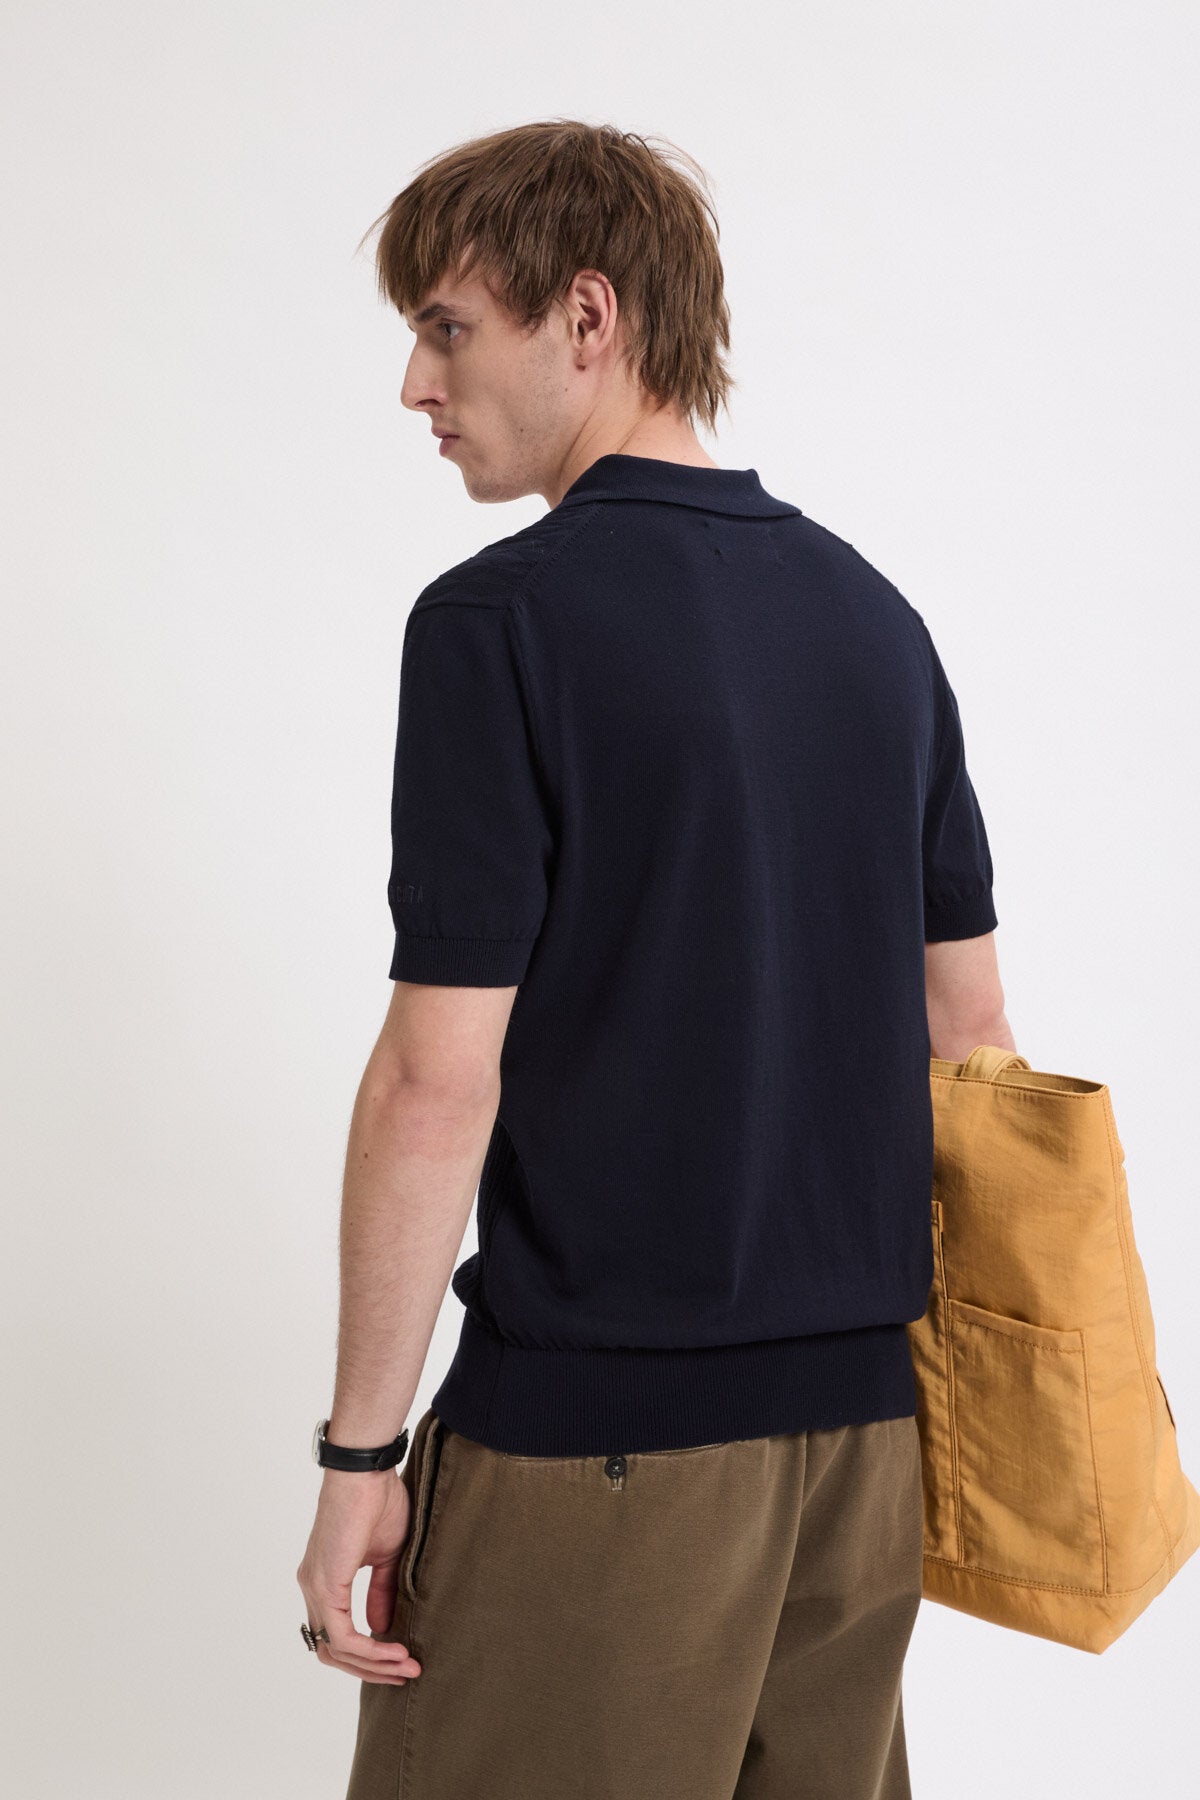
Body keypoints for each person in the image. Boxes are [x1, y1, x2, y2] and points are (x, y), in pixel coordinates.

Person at [295, 118, 1017, 1800]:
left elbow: (435, 1081)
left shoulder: (499, 623)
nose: (415, 383)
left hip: (601, 1448)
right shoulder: (874, 622)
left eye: (448, 327)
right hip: (863, 1451)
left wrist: (359, 1454)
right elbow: (973, 1035)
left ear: (589, 316)